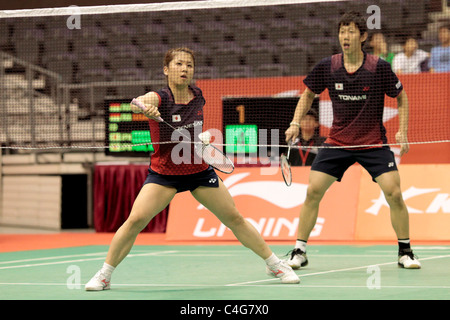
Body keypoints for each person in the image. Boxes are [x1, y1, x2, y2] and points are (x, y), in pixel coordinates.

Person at [85, 48, 299, 290]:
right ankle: (104, 274)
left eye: (189, 65)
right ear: (166, 69)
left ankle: (274, 264)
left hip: (198, 171)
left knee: (235, 218)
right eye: (179, 64)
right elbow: (137, 103)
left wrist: (203, 137)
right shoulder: (160, 98)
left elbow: (194, 128)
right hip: (165, 175)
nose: (185, 69)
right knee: (135, 220)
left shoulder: (197, 94)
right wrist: (144, 106)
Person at [284, 12, 421, 271]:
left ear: (363, 36)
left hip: (372, 143)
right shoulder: (328, 65)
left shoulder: (378, 67)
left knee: (394, 192)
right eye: (342, 32)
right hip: (338, 142)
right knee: (313, 191)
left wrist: (402, 132)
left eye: (350, 32)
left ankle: (406, 252)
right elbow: (307, 95)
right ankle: (299, 251)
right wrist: (294, 122)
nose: (345, 37)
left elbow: (401, 97)